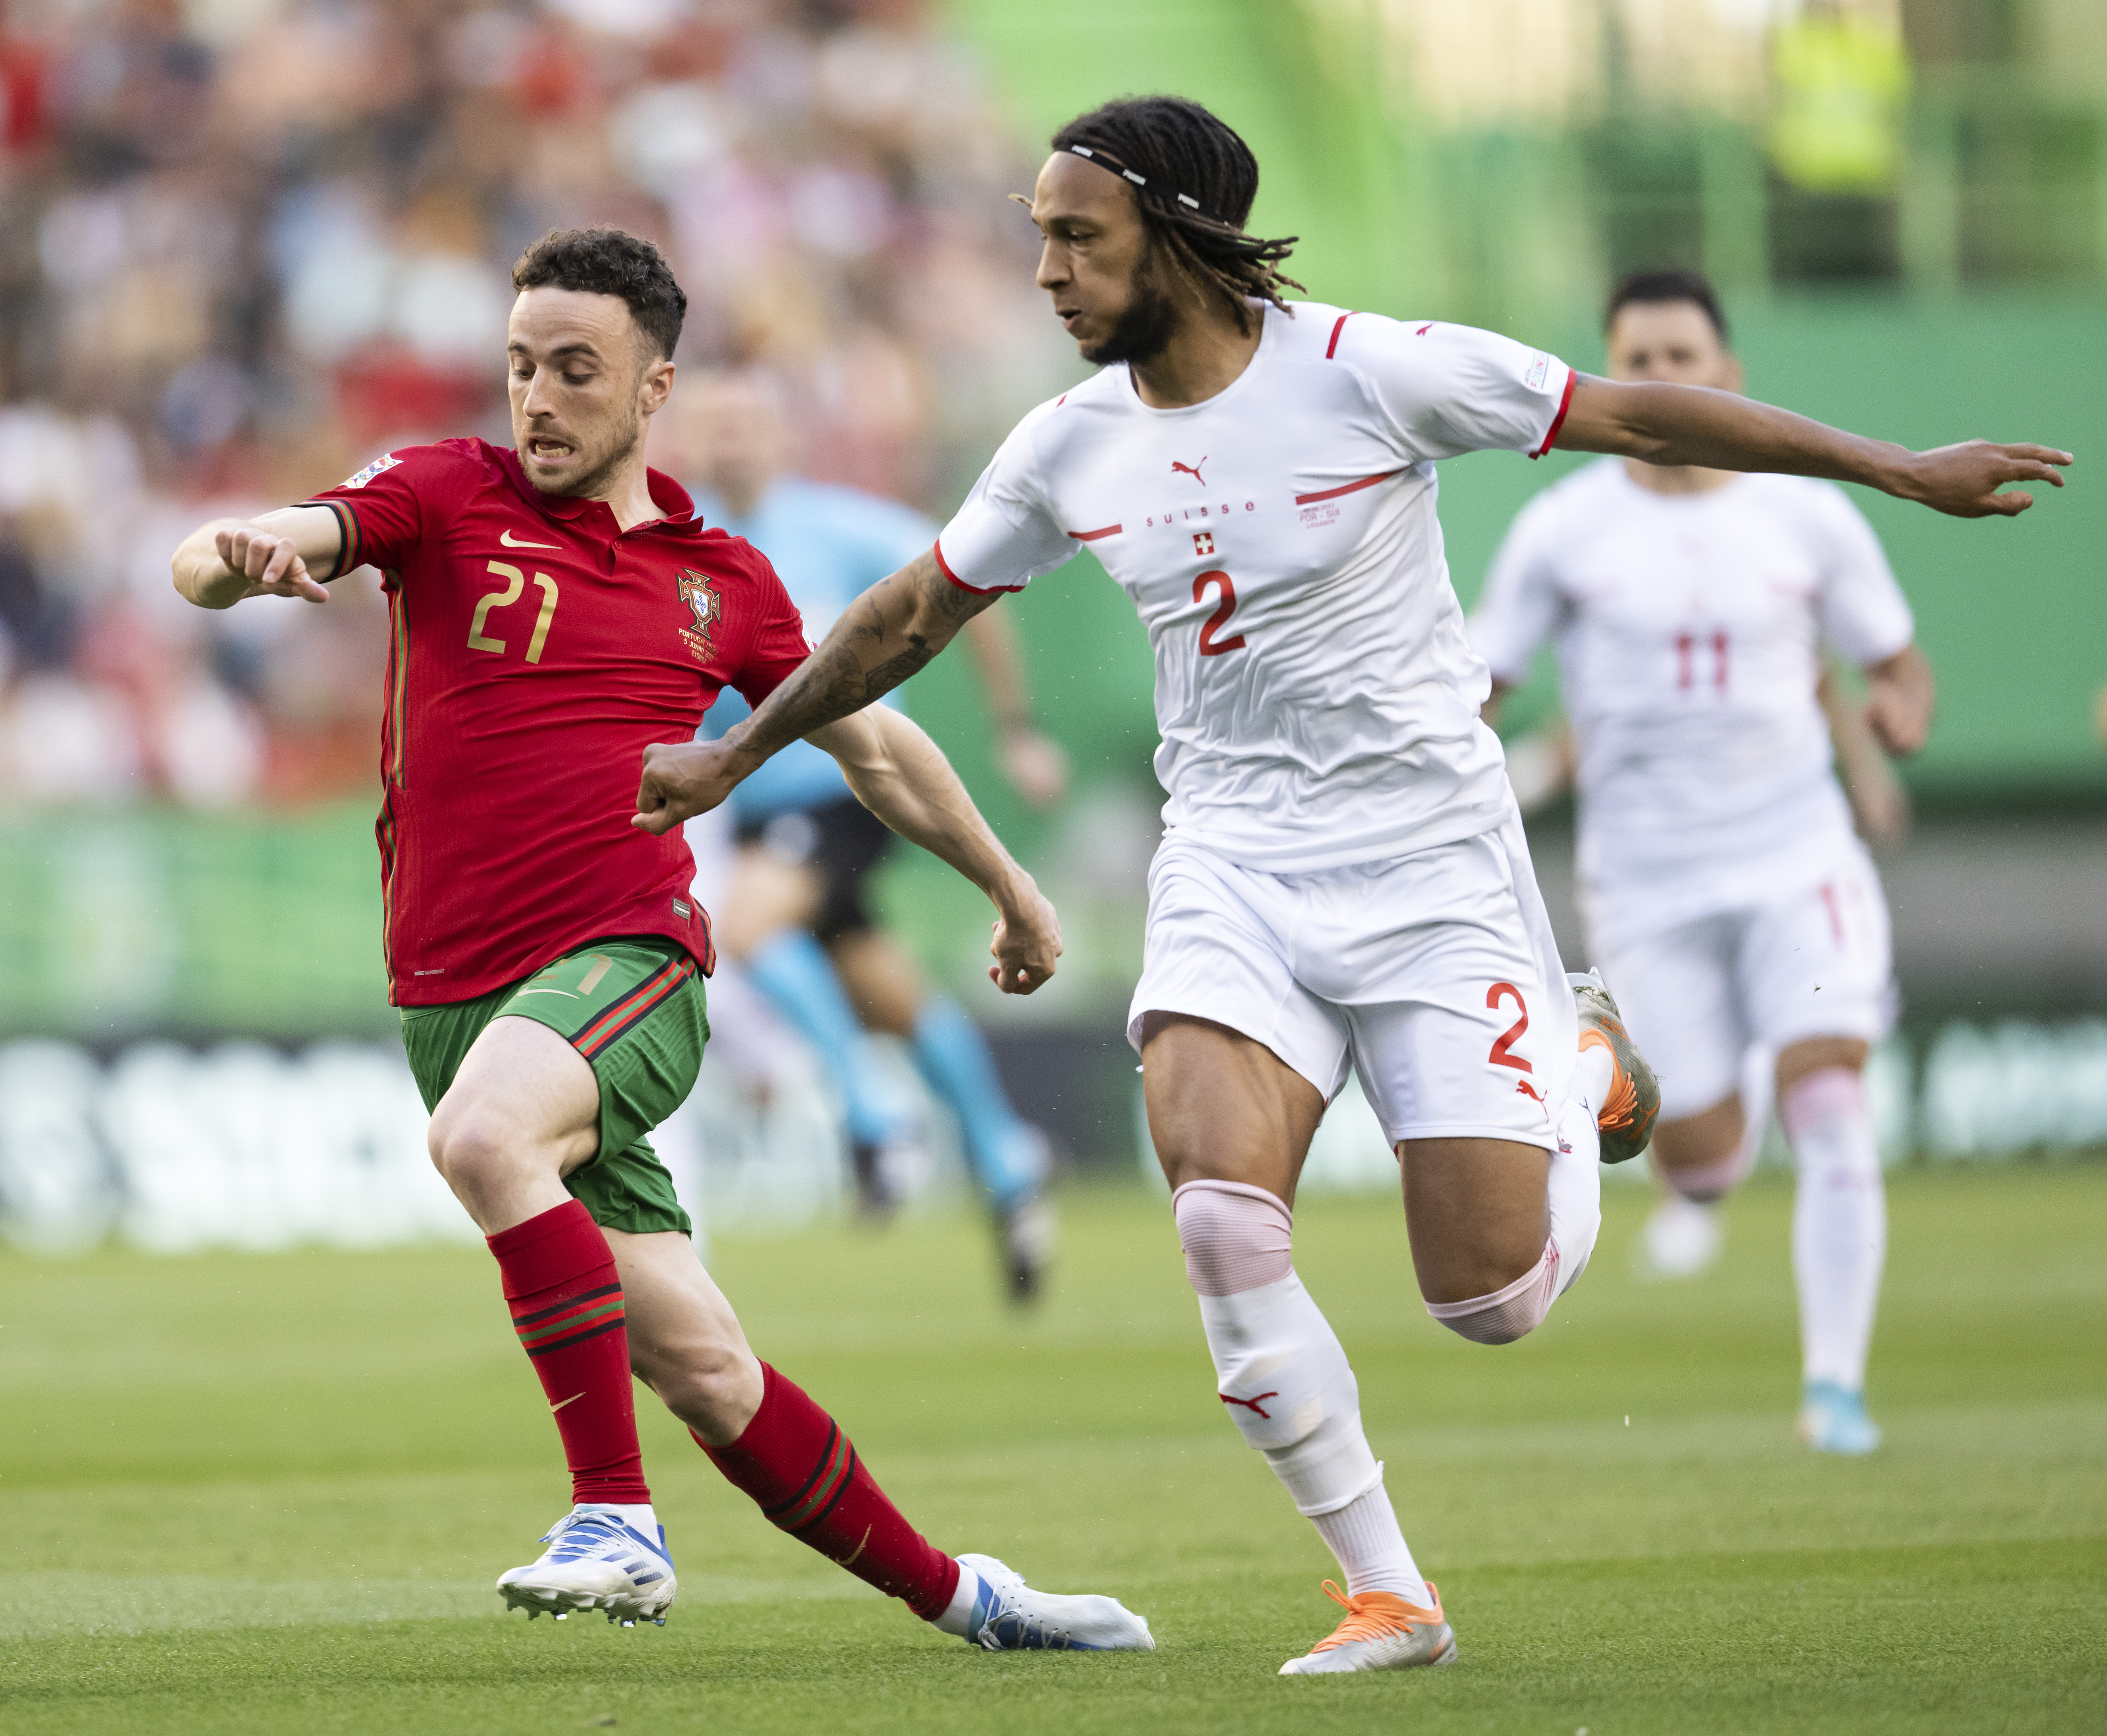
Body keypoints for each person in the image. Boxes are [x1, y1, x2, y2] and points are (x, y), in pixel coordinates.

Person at [634, 97, 2069, 1674]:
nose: (1043, 271)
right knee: (1217, 1219)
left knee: (1490, 1300)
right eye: (1038, 237)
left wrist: (1896, 469)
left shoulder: (1373, 370)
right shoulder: (1065, 443)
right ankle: (1389, 1592)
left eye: (1076, 237)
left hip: (1431, 865)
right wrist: (736, 754)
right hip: (1230, 862)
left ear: (1178, 236)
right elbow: (908, 614)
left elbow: (1644, 420)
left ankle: (1577, 1061)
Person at [169, 227, 1151, 1652]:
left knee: (480, 1141)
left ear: (653, 389)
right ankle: (969, 1597)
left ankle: (614, 1518)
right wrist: (232, 559)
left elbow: (876, 746)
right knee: (707, 1369)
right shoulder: (440, 493)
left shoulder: (723, 581)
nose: (538, 397)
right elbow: (227, 554)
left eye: (575, 370)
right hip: (456, 999)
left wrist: (1012, 886)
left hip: (627, 961)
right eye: (520, 365)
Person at [1468, 269, 1934, 1454]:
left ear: (1729, 373)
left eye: (1683, 357)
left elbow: (1894, 658)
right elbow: (1481, 685)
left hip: (1796, 859)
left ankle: (1834, 1389)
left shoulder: (1808, 518)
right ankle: (1717, 1143)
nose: (1662, 378)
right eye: (1638, 359)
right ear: (1610, 374)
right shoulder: (1562, 529)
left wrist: (1899, 709)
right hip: (1647, 883)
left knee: (1830, 1094)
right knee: (1698, 1150)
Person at [678, 369, 1070, 1300]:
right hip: (761, 805)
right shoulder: (683, 542)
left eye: (745, 424)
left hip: (850, 788)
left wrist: (1015, 728)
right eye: (715, 428)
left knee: (746, 928)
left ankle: (871, 1115)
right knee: (883, 990)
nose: (731, 443)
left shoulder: (841, 527)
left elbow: (969, 586)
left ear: (781, 437)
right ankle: (1007, 1161)